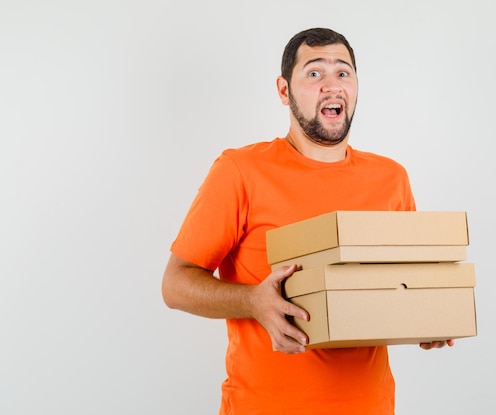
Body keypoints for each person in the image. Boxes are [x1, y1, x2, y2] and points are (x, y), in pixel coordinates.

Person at [162, 27, 453, 415]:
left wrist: (429, 316)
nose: (331, 85)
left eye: (343, 73)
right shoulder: (240, 171)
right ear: (284, 91)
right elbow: (175, 283)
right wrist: (252, 301)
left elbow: (401, 285)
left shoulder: (391, 178)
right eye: (314, 73)